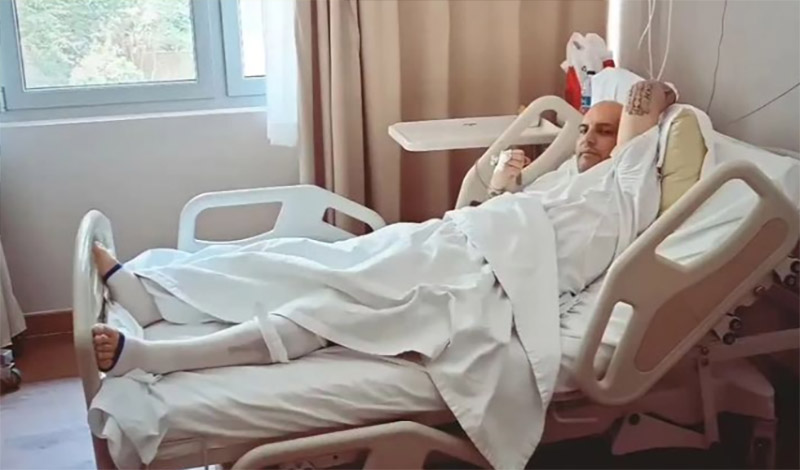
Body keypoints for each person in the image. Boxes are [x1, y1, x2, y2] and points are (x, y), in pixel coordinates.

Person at [92, 80, 676, 377]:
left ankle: (157, 357)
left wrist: (658, 104)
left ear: (633, 139)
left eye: (604, 130)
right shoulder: (570, 174)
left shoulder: (627, 182)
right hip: (453, 241)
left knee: (329, 308)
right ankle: (153, 290)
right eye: (584, 128)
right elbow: (516, 219)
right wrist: (507, 183)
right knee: (305, 255)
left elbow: (647, 97)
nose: (585, 139)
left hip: (487, 278)